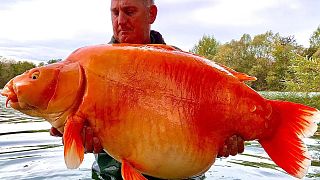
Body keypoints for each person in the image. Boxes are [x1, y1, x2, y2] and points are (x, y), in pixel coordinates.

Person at [50, 0, 245, 179]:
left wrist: (224, 141)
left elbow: (208, 129)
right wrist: (77, 138)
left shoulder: (184, 67)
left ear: (151, 14)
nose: (121, 21)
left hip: (178, 175)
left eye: (129, 11)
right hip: (110, 176)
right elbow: (72, 139)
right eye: (115, 12)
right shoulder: (88, 67)